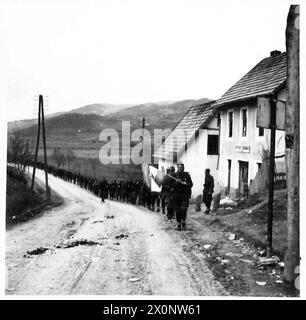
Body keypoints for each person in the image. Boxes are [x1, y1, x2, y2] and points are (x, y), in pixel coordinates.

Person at [172, 162, 193, 231]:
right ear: (177, 168)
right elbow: (171, 185)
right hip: (176, 196)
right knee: (177, 211)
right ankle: (178, 224)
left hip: (184, 196)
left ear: (183, 168)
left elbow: (191, 184)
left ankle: (183, 221)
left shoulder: (186, 175)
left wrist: (185, 183)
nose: (180, 168)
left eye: (181, 167)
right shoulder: (174, 175)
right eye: (179, 167)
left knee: (183, 210)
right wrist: (176, 182)